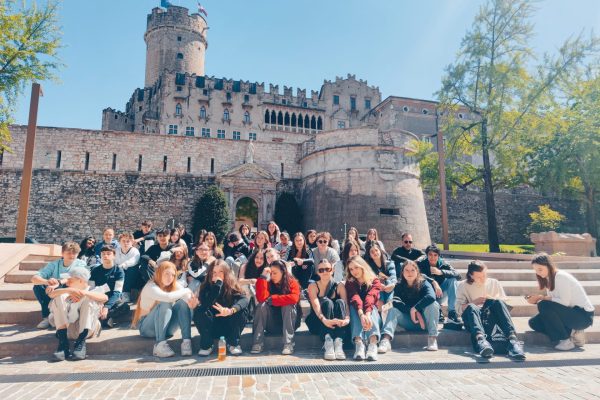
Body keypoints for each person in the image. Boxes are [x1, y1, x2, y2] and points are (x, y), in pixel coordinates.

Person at [456, 260, 526, 359]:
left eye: (484, 275)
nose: (483, 279)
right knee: (471, 306)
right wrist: (475, 302)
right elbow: (458, 309)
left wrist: (493, 299)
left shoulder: (494, 283)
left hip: (491, 317)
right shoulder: (463, 285)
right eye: (479, 277)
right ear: (471, 276)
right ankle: (481, 341)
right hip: (474, 318)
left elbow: (505, 305)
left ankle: (513, 341)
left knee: (498, 302)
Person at [527, 253, 595, 351]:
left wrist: (541, 298)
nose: (538, 273)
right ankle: (571, 333)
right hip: (569, 313)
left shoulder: (561, 277)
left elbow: (564, 302)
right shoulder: (549, 278)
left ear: (548, 266)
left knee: (544, 304)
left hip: (582, 316)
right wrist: (536, 299)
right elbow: (554, 301)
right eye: (536, 270)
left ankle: (565, 341)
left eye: (540, 269)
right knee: (534, 322)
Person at [132, 261, 197, 357]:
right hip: (147, 328)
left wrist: (192, 303)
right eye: (166, 274)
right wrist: (187, 289)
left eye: (172, 275)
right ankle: (160, 345)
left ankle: (186, 342)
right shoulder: (150, 286)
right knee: (165, 302)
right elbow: (168, 297)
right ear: (159, 273)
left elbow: (188, 299)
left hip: (167, 328)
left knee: (182, 303)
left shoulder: (174, 285)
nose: (169, 277)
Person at [47, 267, 108, 361]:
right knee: (58, 298)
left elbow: (105, 297)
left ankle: (81, 343)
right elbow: (51, 294)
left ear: (80, 280)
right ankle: (63, 345)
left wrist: (84, 293)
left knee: (89, 299)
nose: (67, 282)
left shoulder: (93, 290)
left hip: (88, 330)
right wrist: (69, 291)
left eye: (70, 279)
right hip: (68, 330)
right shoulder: (67, 292)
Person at [380, 260, 440, 353]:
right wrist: (411, 312)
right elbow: (396, 302)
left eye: (412, 270)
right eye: (406, 270)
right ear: (402, 272)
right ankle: (386, 340)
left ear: (417, 272)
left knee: (433, 304)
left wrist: (415, 309)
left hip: (426, 322)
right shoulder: (399, 285)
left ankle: (432, 338)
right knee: (392, 310)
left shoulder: (424, 283)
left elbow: (431, 297)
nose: (409, 273)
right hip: (409, 321)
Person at [194, 260, 249, 356]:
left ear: (226, 273)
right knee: (199, 310)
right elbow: (205, 304)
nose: (217, 275)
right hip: (212, 326)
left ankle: (233, 344)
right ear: (210, 274)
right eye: (214, 272)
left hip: (229, 326)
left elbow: (244, 300)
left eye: (221, 272)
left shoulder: (233, 286)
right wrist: (217, 286)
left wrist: (231, 310)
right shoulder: (205, 287)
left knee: (242, 310)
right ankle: (207, 345)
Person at [31, 242, 87, 329]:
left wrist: (58, 282)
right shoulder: (54, 264)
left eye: (74, 253)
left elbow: (72, 278)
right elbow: (34, 278)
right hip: (54, 289)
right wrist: (47, 282)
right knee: (38, 286)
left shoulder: (80, 264)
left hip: (70, 289)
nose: (71, 255)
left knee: (69, 286)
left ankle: (63, 317)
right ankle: (46, 317)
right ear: (62, 253)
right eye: (68, 253)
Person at [251, 260, 302, 355]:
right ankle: (257, 343)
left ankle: (289, 344)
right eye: (271, 273)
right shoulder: (268, 282)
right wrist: (263, 276)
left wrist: (274, 299)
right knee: (261, 305)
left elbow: (294, 298)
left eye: (275, 273)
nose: (272, 276)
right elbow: (262, 298)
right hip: (272, 324)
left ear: (283, 272)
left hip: (289, 323)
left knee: (287, 305)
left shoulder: (292, 282)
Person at [305, 260, 350, 360]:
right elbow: (316, 307)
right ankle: (328, 341)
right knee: (326, 302)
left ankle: (338, 341)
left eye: (327, 269)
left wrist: (347, 318)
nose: (324, 272)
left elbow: (345, 305)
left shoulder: (339, 286)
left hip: (337, 322)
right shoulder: (313, 286)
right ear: (318, 272)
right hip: (318, 321)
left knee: (339, 302)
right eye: (321, 270)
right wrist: (324, 320)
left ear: (332, 270)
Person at [345, 256, 382, 361]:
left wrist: (367, 314)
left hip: (372, 314)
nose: (354, 271)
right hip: (358, 314)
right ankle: (359, 343)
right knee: (353, 307)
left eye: (356, 267)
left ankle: (373, 343)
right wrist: (361, 314)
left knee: (373, 308)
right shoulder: (350, 282)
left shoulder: (375, 281)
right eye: (351, 269)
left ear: (362, 266)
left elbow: (371, 297)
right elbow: (354, 297)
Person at [418, 244, 461, 324]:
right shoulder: (421, 263)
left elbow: (458, 275)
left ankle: (452, 313)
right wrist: (433, 282)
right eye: (430, 255)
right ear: (426, 255)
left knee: (452, 280)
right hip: (427, 294)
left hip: (440, 293)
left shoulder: (443, 263)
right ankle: (437, 309)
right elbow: (418, 275)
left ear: (438, 256)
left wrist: (441, 272)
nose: (433, 257)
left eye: (435, 255)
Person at [90, 245, 129, 328]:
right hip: (98, 299)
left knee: (125, 307)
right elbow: (91, 289)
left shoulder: (119, 271)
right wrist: (100, 303)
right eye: (103, 254)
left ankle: (104, 317)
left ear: (114, 256)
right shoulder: (95, 270)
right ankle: (105, 319)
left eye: (108, 253)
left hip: (112, 300)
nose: (105, 256)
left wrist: (106, 307)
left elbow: (117, 292)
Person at [364, 241, 396, 305]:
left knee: (388, 282)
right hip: (376, 291)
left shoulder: (389, 263)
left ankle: (388, 304)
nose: (375, 253)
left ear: (380, 251)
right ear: (370, 255)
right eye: (372, 252)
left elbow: (393, 276)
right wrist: (378, 285)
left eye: (376, 250)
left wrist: (392, 284)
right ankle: (382, 307)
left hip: (388, 289)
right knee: (377, 283)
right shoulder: (368, 267)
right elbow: (369, 280)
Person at [115, 232, 141, 303]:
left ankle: (126, 293)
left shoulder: (135, 251)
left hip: (131, 273)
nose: (125, 243)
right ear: (119, 242)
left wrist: (121, 266)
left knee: (131, 268)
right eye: (123, 241)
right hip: (120, 270)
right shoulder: (116, 250)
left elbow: (133, 261)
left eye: (128, 241)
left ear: (132, 242)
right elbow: (114, 261)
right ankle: (117, 293)